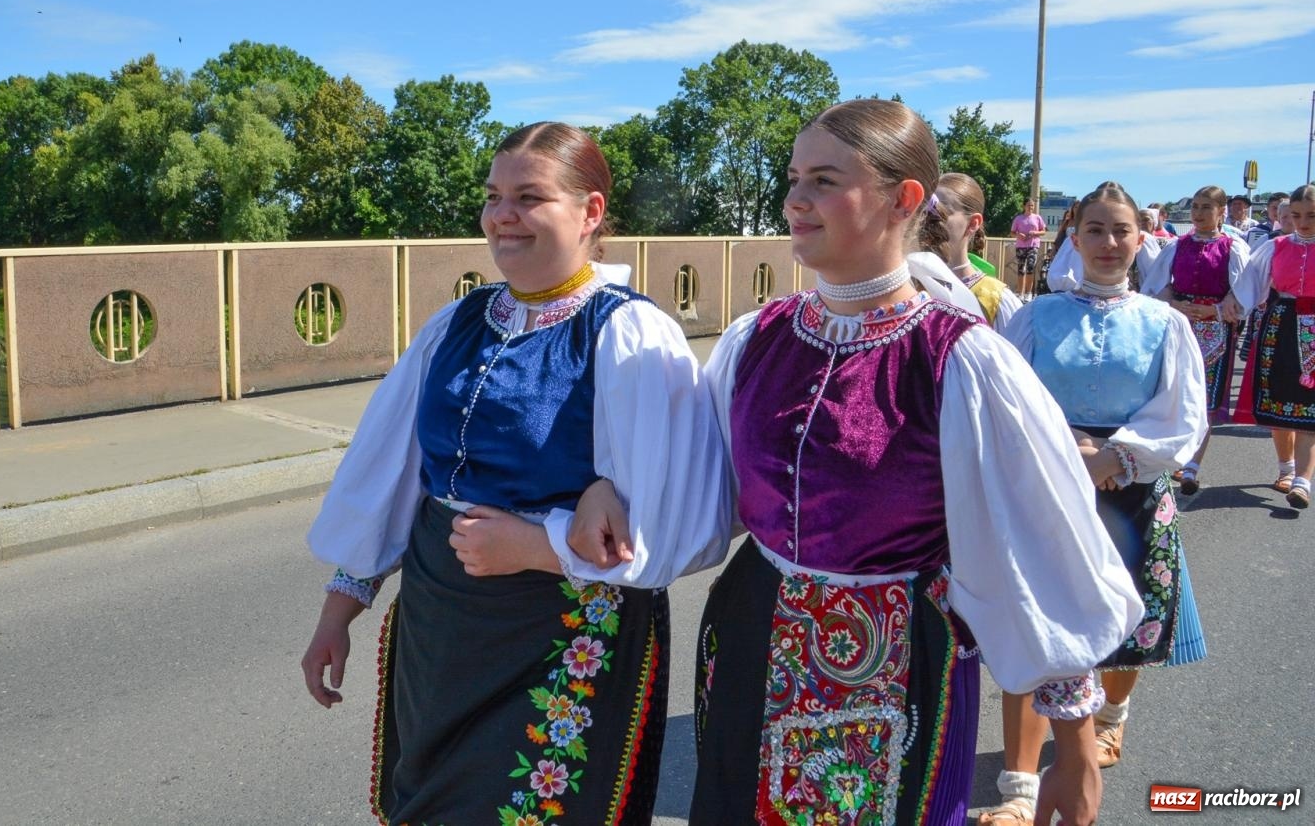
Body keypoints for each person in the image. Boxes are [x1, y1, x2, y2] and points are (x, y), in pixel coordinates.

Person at [576, 101, 1141, 826]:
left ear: (903, 198)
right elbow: (691, 480)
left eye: (822, 180)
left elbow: (1043, 549)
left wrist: (1077, 747)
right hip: (749, 635)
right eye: (792, 179)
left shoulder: (961, 361)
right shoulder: (756, 339)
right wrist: (604, 485)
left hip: (897, 662)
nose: (794, 201)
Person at [301, 122, 732, 824]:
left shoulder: (627, 332)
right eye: (494, 196)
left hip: (561, 633)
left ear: (590, 213)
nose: (503, 215)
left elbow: (681, 523)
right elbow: (390, 470)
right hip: (441, 629)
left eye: (530, 197)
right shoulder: (458, 322)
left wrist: (539, 544)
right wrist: (341, 605)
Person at [976, 182, 1209, 825]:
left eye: (1122, 231)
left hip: (1133, 485)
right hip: (1049, 484)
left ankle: (1111, 717)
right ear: (1073, 238)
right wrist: (1066, 446)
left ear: (1141, 239)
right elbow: (1007, 399)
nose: (1109, 243)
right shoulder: (1032, 316)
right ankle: (1019, 789)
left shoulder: (1166, 323)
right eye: (1096, 231)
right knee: (1037, 627)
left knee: (1130, 622)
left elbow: (1183, 413)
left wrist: (1118, 457)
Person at [1141, 185, 1250, 494]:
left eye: (1206, 207)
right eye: (1196, 207)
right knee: (1172, 389)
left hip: (1214, 329)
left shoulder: (1232, 247)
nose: (1199, 213)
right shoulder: (1178, 245)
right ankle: (1169, 453)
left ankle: (1192, 465)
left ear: (1221, 212)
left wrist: (1216, 307)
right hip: (1180, 325)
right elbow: (1159, 287)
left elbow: (1241, 295)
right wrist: (1173, 304)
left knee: (1205, 398)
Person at [1227, 183, 1315, 508]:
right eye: (1297, 215)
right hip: (1280, 324)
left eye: (1311, 215)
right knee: (1279, 400)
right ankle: (1286, 468)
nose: (1303, 222)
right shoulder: (1275, 247)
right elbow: (1249, 283)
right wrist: (1233, 305)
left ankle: (1303, 482)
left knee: (1311, 405)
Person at [925, 172, 1022, 328]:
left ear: (973, 223)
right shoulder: (909, 287)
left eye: (942, 212)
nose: (930, 220)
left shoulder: (995, 299)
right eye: (927, 212)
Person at [1011, 198, 1047, 299]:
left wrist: (1035, 233)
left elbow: (1043, 231)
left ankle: (1028, 293)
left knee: (1030, 267)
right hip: (1021, 246)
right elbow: (1012, 232)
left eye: (1032, 205)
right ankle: (1020, 293)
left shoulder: (1037, 218)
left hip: (1033, 245)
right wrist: (1019, 235)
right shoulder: (1018, 218)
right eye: (1028, 205)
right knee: (1021, 269)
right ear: (1024, 206)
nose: (1030, 207)